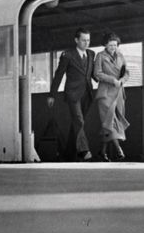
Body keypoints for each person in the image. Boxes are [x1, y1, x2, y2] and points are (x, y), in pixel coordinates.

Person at [47, 27, 96, 161]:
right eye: (83, 40)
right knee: (79, 121)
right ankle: (84, 151)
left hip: (87, 94)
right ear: (76, 40)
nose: (87, 43)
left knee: (77, 123)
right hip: (73, 94)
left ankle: (68, 155)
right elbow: (59, 75)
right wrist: (52, 94)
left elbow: (93, 74)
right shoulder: (67, 55)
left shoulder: (91, 54)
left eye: (88, 40)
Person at [92, 31, 130, 161]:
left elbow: (127, 73)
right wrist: (111, 79)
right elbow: (97, 73)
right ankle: (119, 150)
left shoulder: (121, 56)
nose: (113, 47)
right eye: (110, 45)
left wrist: (121, 81)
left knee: (110, 124)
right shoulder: (100, 56)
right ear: (105, 45)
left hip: (119, 93)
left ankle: (102, 152)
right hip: (105, 94)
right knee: (110, 122)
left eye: (115, 45)